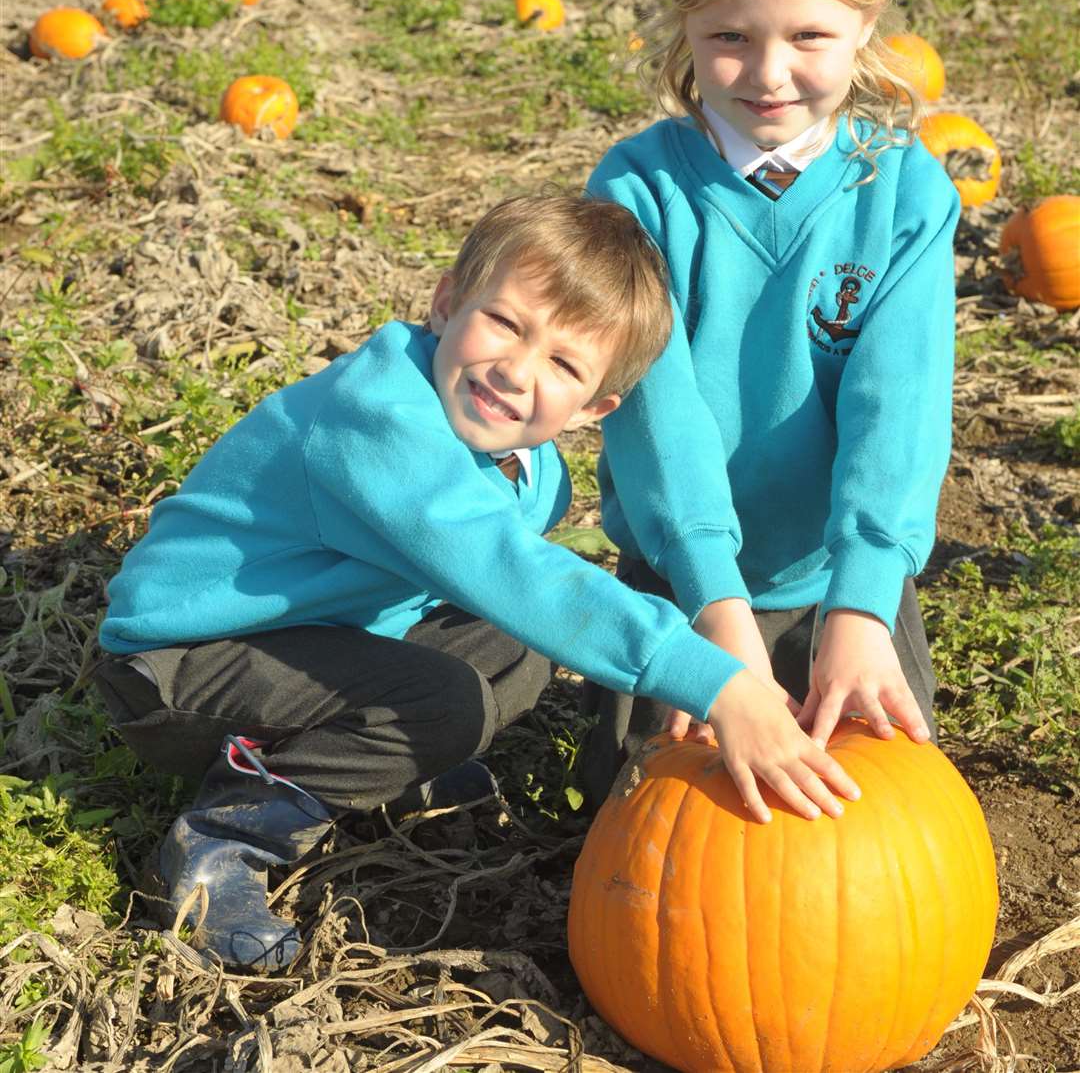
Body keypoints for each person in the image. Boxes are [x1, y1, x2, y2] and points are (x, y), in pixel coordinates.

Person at [93, 192, 860, 972]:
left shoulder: (530, 467)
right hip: (181, 663)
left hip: (311, 635)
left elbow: (513, 592)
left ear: (596, 407)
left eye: (563, 364)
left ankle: (384, 761)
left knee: (514, 647)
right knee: (448, 702)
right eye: (504, 323)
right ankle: (225, 837)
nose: (515, 372)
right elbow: (519, 573)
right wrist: (719, 685)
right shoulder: (379, 421)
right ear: (447, 300)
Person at [579, 0, 961, 810]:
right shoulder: (640, 192)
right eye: (731, 37)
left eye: (808, 38)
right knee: (661, 824)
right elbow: (657, 416)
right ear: (687, 22)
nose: (768, 73)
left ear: (868, 17)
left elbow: (899, 407)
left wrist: (865, 599)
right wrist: (716, 607)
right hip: (682, 568)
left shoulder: (905, 190)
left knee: (875, 813)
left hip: (838, 567)